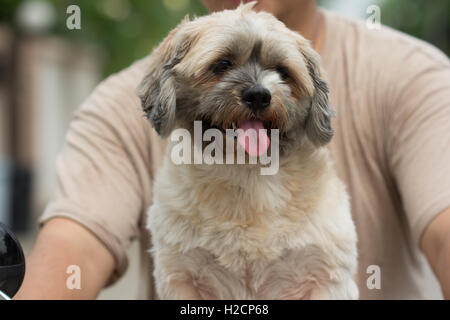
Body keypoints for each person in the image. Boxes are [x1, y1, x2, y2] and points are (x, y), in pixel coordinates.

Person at [15, 0, 450, 299]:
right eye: (221, 66)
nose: (258, 90)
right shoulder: (113, 108)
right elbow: (73, 247)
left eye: (280, 72)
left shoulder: (416, 77)